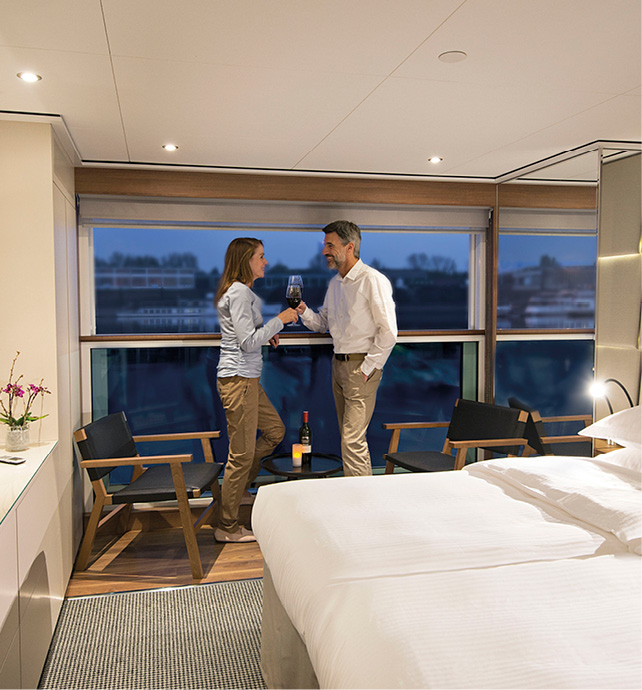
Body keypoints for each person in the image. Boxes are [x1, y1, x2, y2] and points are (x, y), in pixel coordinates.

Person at [296, 220, 397, 476]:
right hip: (338, 366)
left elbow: (389, 332)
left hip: (360, 368)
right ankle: (354, 497)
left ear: (349, 246)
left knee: (352, 441)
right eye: (324, 245)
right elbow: (323, 324)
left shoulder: (372, 280)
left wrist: (367, 368)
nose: (324, 252)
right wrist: (303, 311)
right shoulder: (335, 285)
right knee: (348, 438)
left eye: (330, 245)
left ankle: (363, 505)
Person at [214, 237, 299, 542]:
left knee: (275, 431)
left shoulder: (243, 293)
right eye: (261, 257)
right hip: (239, 381)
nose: (266, 262)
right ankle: (227, 525)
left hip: (248, 380)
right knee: (241, 454)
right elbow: (247, 342)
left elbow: (250, 336)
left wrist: (269, 335)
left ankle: (238, 492)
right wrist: (280, 320)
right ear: (246, 261)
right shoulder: (238, 292)